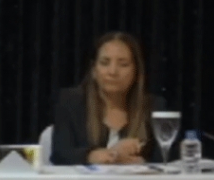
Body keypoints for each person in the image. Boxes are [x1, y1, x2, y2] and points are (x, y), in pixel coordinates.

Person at [51, 32, 167, 165]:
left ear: (136, 71)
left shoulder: (154, 106)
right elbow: (60, 154)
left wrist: (143, 162)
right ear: (94, 70)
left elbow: (168, 158)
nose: (113, 72)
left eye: (123, 64)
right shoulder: (71, 102)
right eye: (105, 63)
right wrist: (94, 156)